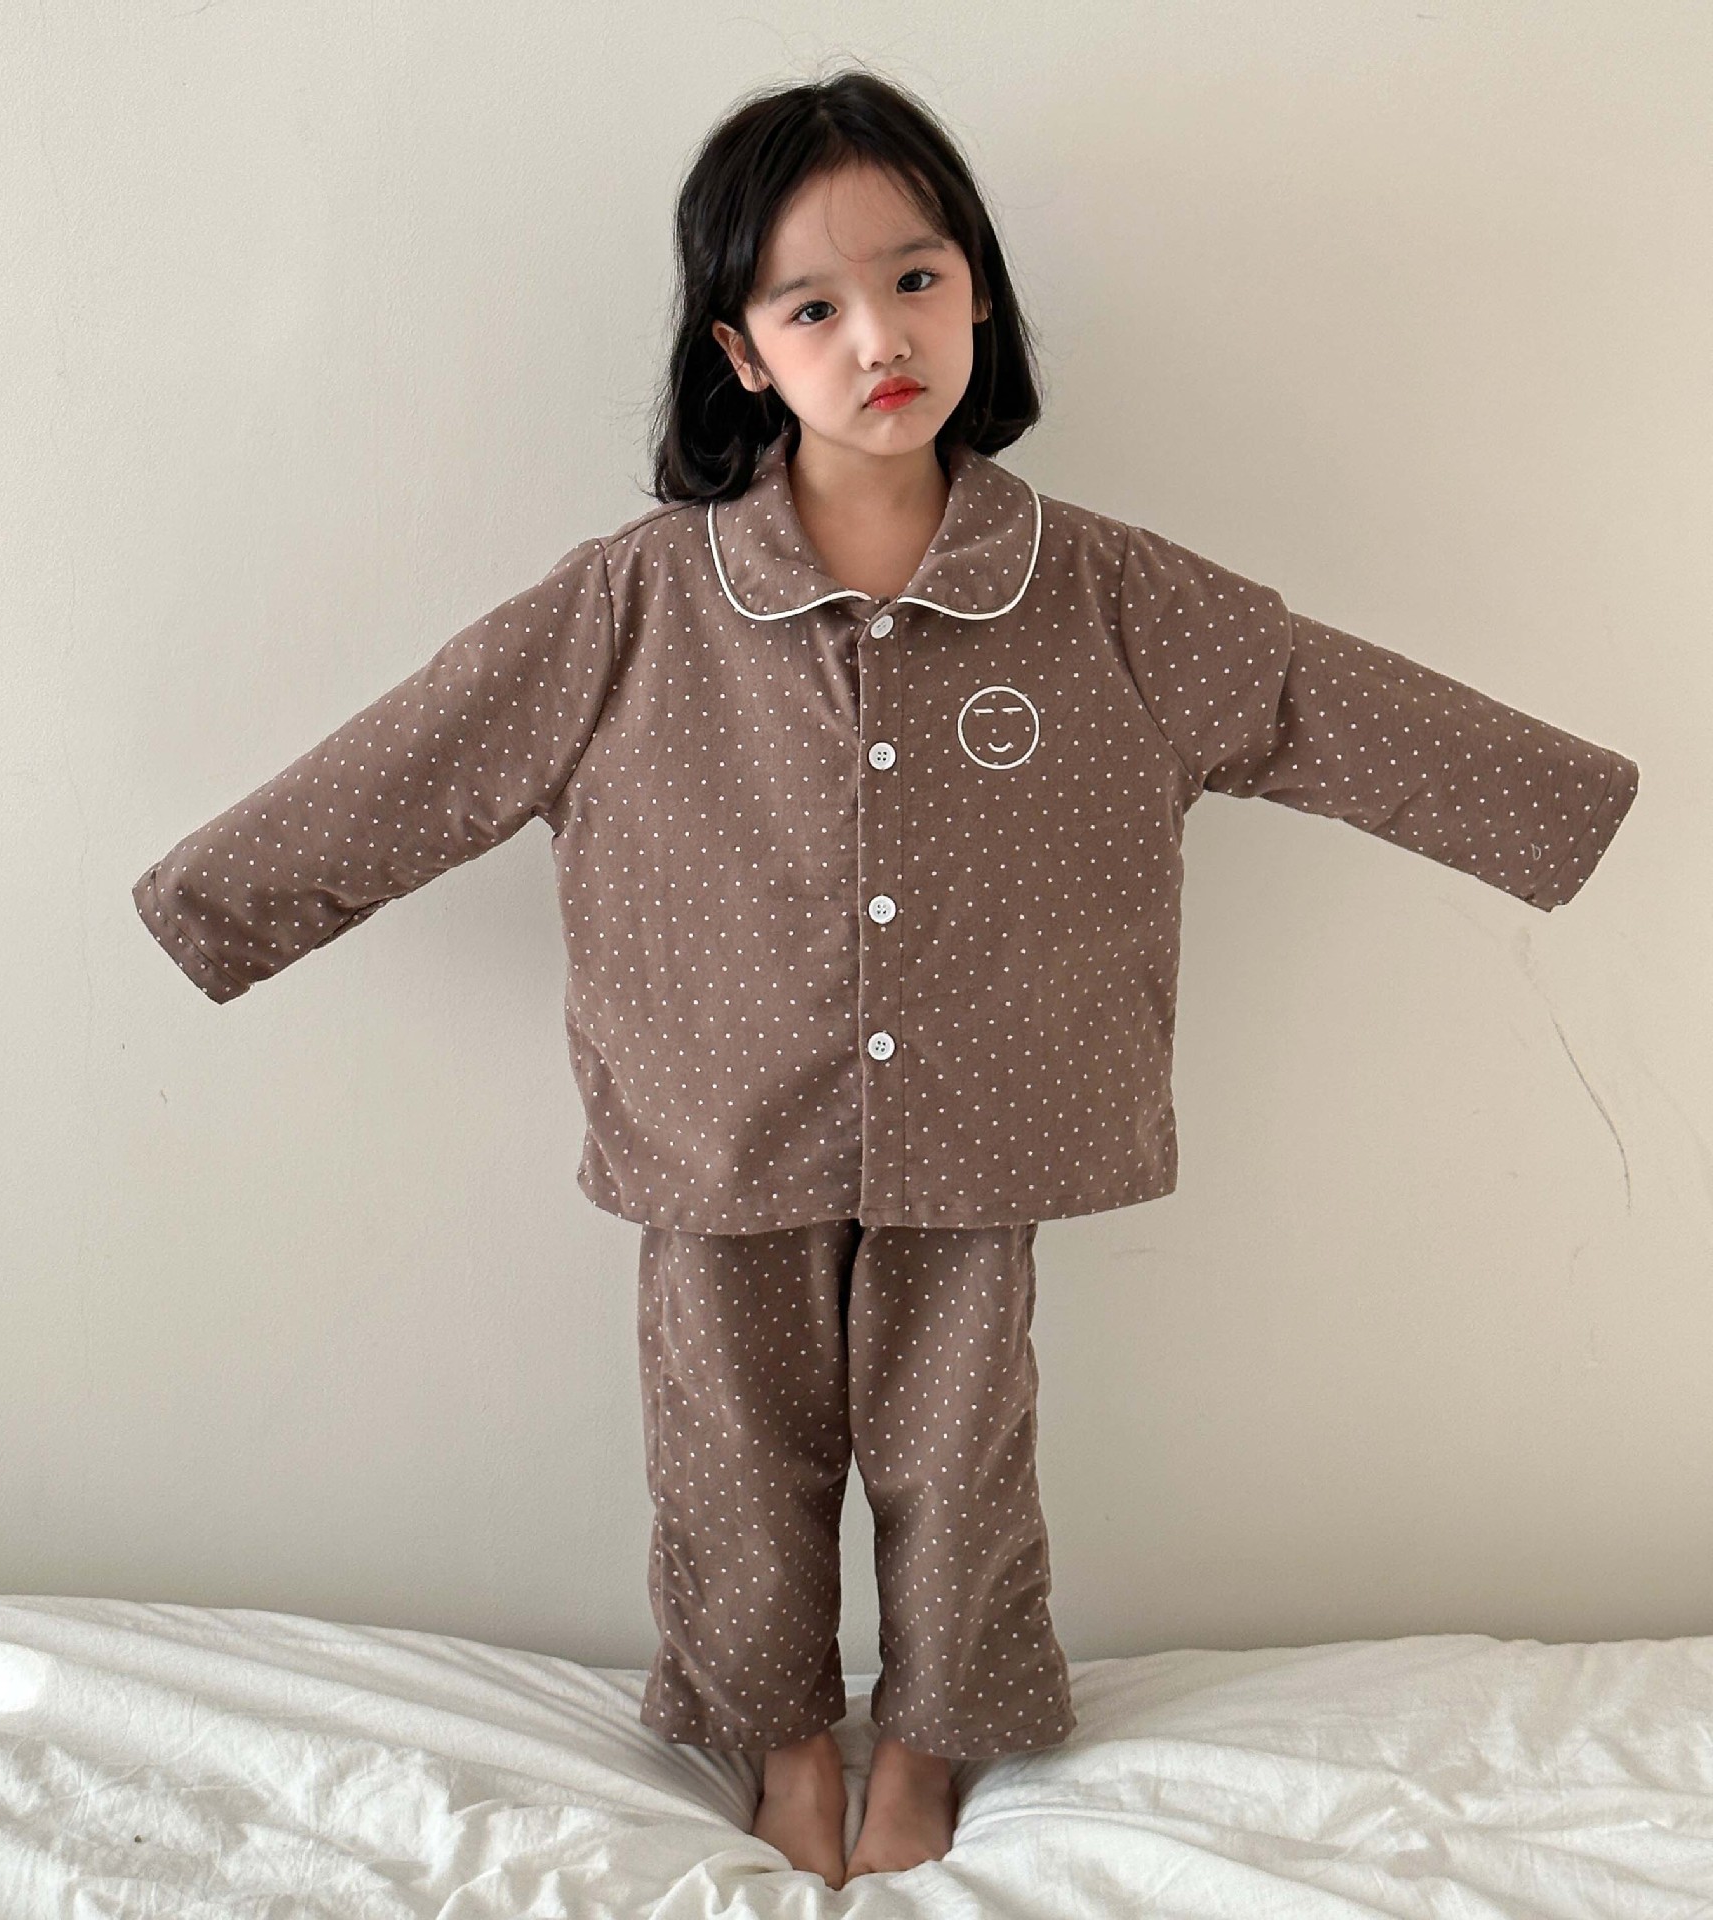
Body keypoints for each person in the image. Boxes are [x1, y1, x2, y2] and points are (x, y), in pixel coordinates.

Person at [131, 68, 1639, 1891]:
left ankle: (931, 1737)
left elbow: (1314, 694)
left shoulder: (1095, 589)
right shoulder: (636, 602)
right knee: (728, 1448)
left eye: (915, 279)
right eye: (813, 307)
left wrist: (1561, 805)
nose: (878, 338)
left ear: (978, 289)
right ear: (741, 354)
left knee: (962, 1445)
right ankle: (776, 1734)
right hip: (717, 1110)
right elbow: (425, 751)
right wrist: (216, 906)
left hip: (988, 1103)